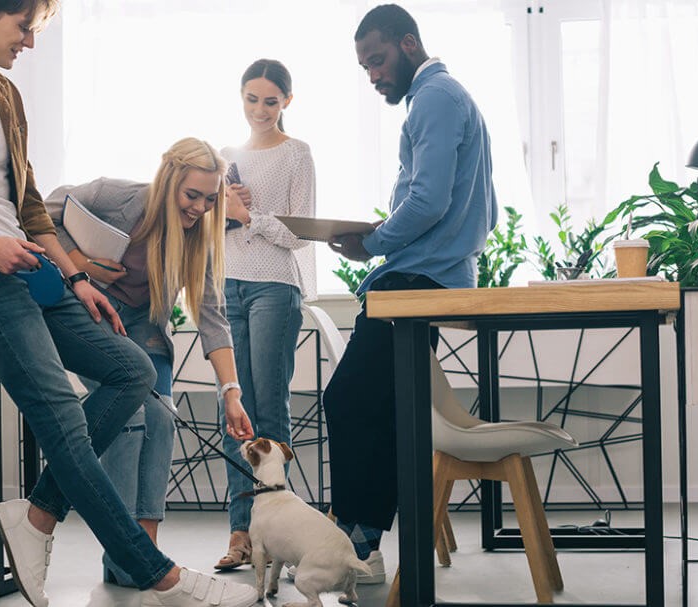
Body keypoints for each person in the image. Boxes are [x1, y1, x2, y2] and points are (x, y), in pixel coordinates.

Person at [0, 3, 257, 606]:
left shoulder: (6, 96)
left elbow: (28, 208)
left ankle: (39, 515)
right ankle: (159, 577)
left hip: (34, 270)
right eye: (24, 28)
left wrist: (76, 278)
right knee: (66, 423)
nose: (29, 42)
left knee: (130, 370)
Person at [321, 3, 497, 583]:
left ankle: (358, 544)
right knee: (382, 406)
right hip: (431, 275)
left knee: (348, 401)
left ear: (409, 43)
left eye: (378, 60)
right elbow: (483, 212)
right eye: (365, 67)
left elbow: (427, 202)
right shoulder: (446, 100)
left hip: (414, 281)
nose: (373, 75)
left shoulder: (435, 99)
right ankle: (364, 541)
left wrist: (373, 243)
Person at [42, 137, 253, 587]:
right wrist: (79, 264)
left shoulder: (201, 237)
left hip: (144, 325)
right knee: (129, 414)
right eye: (191, 195)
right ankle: (127, 553)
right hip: (91, 311)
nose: (199, 207)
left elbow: (213, 318)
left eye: (210, 199)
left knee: (161, 418)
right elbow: (42, 213)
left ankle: (143, 554)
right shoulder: (116, 197)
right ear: (170, 180)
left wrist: (231, 392)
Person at [213, 58, 316, 571]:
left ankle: (278, 536)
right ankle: (241, 533)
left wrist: (248, 215)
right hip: (226, 285)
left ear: (286, 103)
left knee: (269, 411)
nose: (259, 110)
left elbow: (299, 234)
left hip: (275, 285)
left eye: (270, 101)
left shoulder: (297, 154)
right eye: (251, 99)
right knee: (234, 410)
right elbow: (204, 228)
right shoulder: (226, 156)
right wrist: (221, 210)